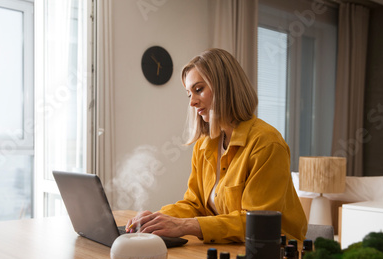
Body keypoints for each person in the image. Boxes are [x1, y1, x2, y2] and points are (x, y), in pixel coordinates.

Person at [126, 48, 307, 243]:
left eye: (199, 89)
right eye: (189, 94)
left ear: (225, 87)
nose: (192, 102)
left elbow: (257, 224)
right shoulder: (204, 145)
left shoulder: (267, 144)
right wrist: (156, 218)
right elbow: (194, 204)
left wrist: (186, 226)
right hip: (229, 249)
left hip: (276, 256)